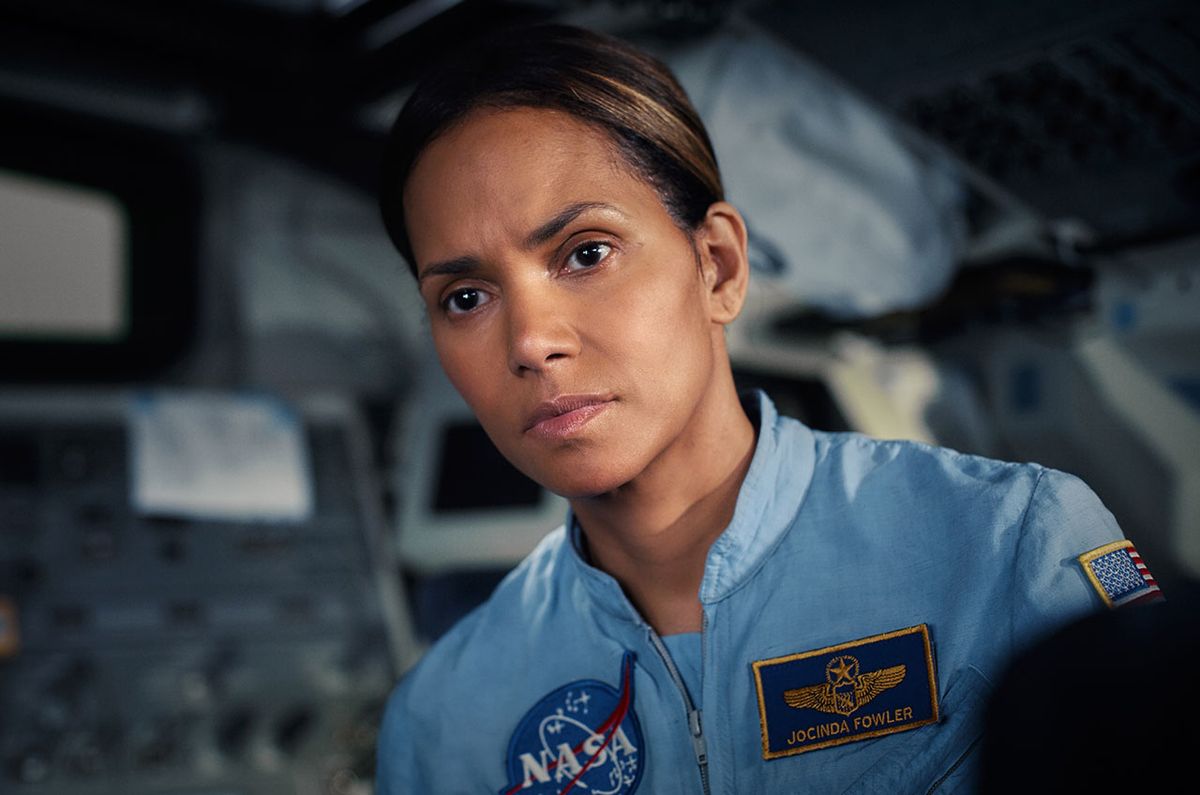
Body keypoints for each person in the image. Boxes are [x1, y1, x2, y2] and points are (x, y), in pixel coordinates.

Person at [374, 24, 1157, 794]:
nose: (532, 341)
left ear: (716, 266)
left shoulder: (1012, 542)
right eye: (466, 297)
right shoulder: (443, 719)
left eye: (587, 252)